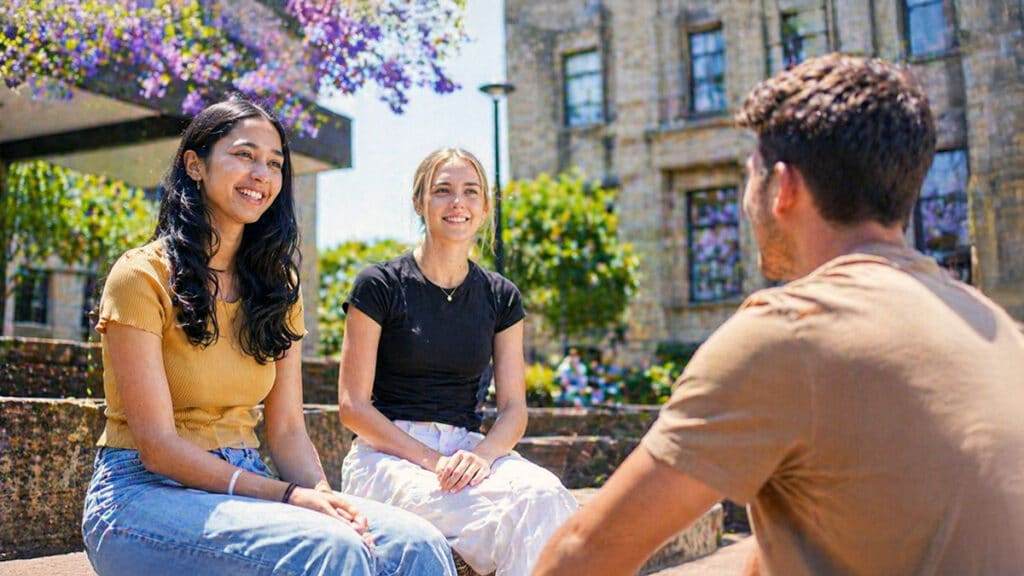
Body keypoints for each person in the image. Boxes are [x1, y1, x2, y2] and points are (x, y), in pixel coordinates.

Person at [534, 54, 1024, 575]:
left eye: (751, 175)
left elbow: (580, 554)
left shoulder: (788, 331)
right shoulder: (999, 330)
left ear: (783, 189)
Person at [81, 98, 456, 576]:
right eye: (244, 155)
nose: (262, 173)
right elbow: (157, 447)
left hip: (246, 480)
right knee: (334, 550)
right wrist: (287, 496)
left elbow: (286, 432)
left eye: (275, 163)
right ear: (195, 165)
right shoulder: (141, 276)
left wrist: (323, 498)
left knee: (416, 543)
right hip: (142, 496)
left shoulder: (279, 288)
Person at [337, 148, 578, 576]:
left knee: (549, 496)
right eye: (442, 191)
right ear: (419, 203)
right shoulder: (379, 285)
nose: (457, 203)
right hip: (389, 456)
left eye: (470, 192)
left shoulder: (501, 295)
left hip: (468, 452)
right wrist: (432, 461)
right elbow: (353, 406)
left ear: (485, 208)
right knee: (513, 514)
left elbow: (513, 410)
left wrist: (483, 457)